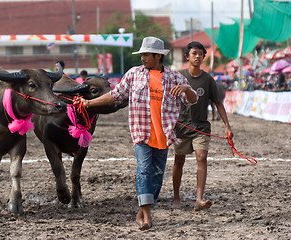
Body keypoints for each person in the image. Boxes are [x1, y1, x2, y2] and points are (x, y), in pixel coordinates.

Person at [73, 36, 197, 230]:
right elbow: (115, 95)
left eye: (146, 55)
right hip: (141, 132)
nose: (142, 58)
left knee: (157, 175)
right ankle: (147, 214)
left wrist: (186, 89)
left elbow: (193, 99)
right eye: (142, 55)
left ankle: (142, 209)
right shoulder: (133, 74)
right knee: (144, 170)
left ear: (158, 57)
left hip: (163, 135)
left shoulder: (174, 78)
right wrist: (89, 103)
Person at [172, 41, 234, 211]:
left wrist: (227, 126)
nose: (198, 56)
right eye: (194, 53)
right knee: (179, 160)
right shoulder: (178, 76)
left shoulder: (208, 79)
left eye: (201, 54)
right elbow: (167, 101)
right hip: (181, 127)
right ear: (187, 56)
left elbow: (218, 103)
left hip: (201, 127)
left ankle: (199, 199)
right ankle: (176, 196)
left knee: (201, 157)